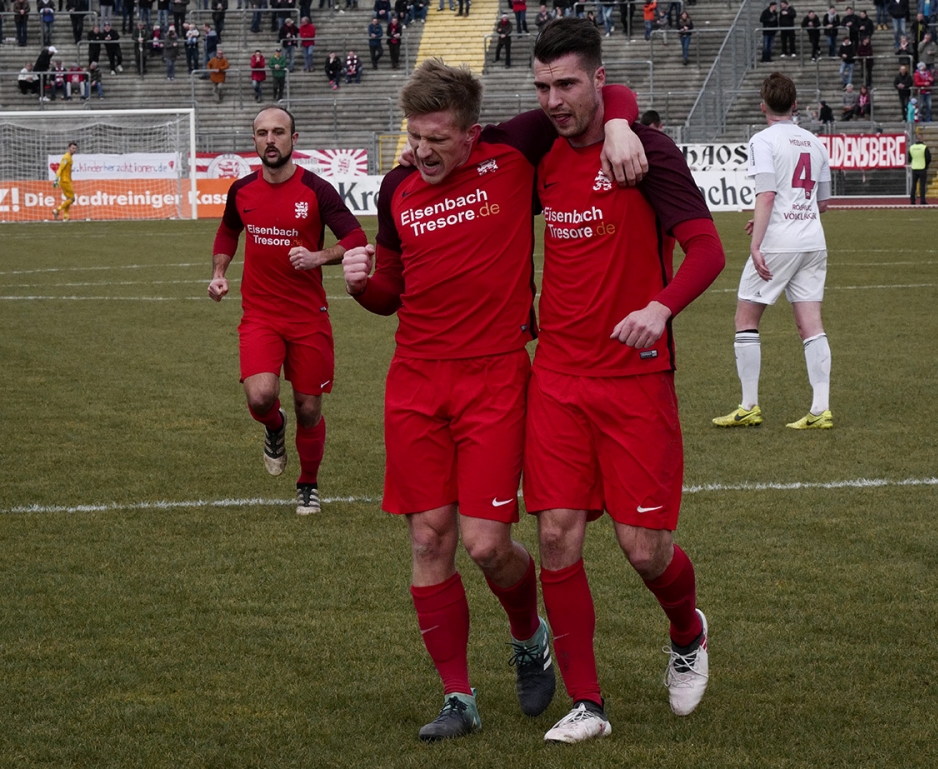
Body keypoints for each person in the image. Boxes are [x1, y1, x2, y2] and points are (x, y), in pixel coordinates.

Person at [340, 57, 645, 743]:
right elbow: (391, 293)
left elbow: (595, 95)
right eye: (414, 137)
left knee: (485, 545)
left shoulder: (513, 153)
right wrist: (362, 285)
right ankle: (459, 697)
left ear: (472, 132)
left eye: (437, 139)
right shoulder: (395, 187)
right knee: (428, 538)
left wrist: (621, 123)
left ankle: (527, 632)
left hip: (495, 379)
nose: (422, 151)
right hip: (415, 380)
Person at [527, 17, 723, 745]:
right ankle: (587, 702)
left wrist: (659, 307)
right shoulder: (540, 150)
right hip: (556, 377)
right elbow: (462, 145)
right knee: (556, 536)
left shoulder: (648, 152)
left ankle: (687, 629)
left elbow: (706, 251)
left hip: (635, 380)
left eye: (567, 84)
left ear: (599, 81)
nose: (553, 100)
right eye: (542, 86)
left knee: (644, 548)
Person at [208, 107, 367, 516]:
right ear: (254, 140)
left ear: (294, 138)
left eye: (278, 132)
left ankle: (308, 484)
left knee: (309, 409)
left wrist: (318, 257)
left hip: (308, 315)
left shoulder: (317, 190)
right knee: (261, 397)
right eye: (262, 133)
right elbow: (228, 230)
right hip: (260, 314)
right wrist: (219, 273)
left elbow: (355, 238)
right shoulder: (242, 191)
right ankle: (274, 426)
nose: (270, 140)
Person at [713, 72, 832, 431]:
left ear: (762, 105)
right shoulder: (815, 142)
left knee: (745, 319)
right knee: (810, 324)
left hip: (779, 242)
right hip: (813, 241)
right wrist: (772, 217)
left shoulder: (762, 140)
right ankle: (820, 409)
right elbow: (822, 203)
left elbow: (767, 194)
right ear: (795, 105)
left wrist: (756, 243)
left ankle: (749, 406)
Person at [52, 141, 78, 221]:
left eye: (75, 149)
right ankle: (57, 210)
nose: (74, 150)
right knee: (72, 199)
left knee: (68, 199)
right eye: (73, 148)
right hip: (65, 181)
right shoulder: (66, 157)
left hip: (67, 180)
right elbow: (60, 168)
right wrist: (56, 179)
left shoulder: (69, 157)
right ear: (68, 148)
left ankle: (66, 217)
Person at [908, 132, 931, 203]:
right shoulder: (924, 147)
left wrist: (914, 163)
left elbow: (909, 159)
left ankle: (912, 200)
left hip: (914, 168)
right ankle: (922, 200)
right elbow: (928, 158)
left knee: (913, 185)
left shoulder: (911, 147)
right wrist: (926, 165)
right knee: (922, 185)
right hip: (922, 168)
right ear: (922, 138)